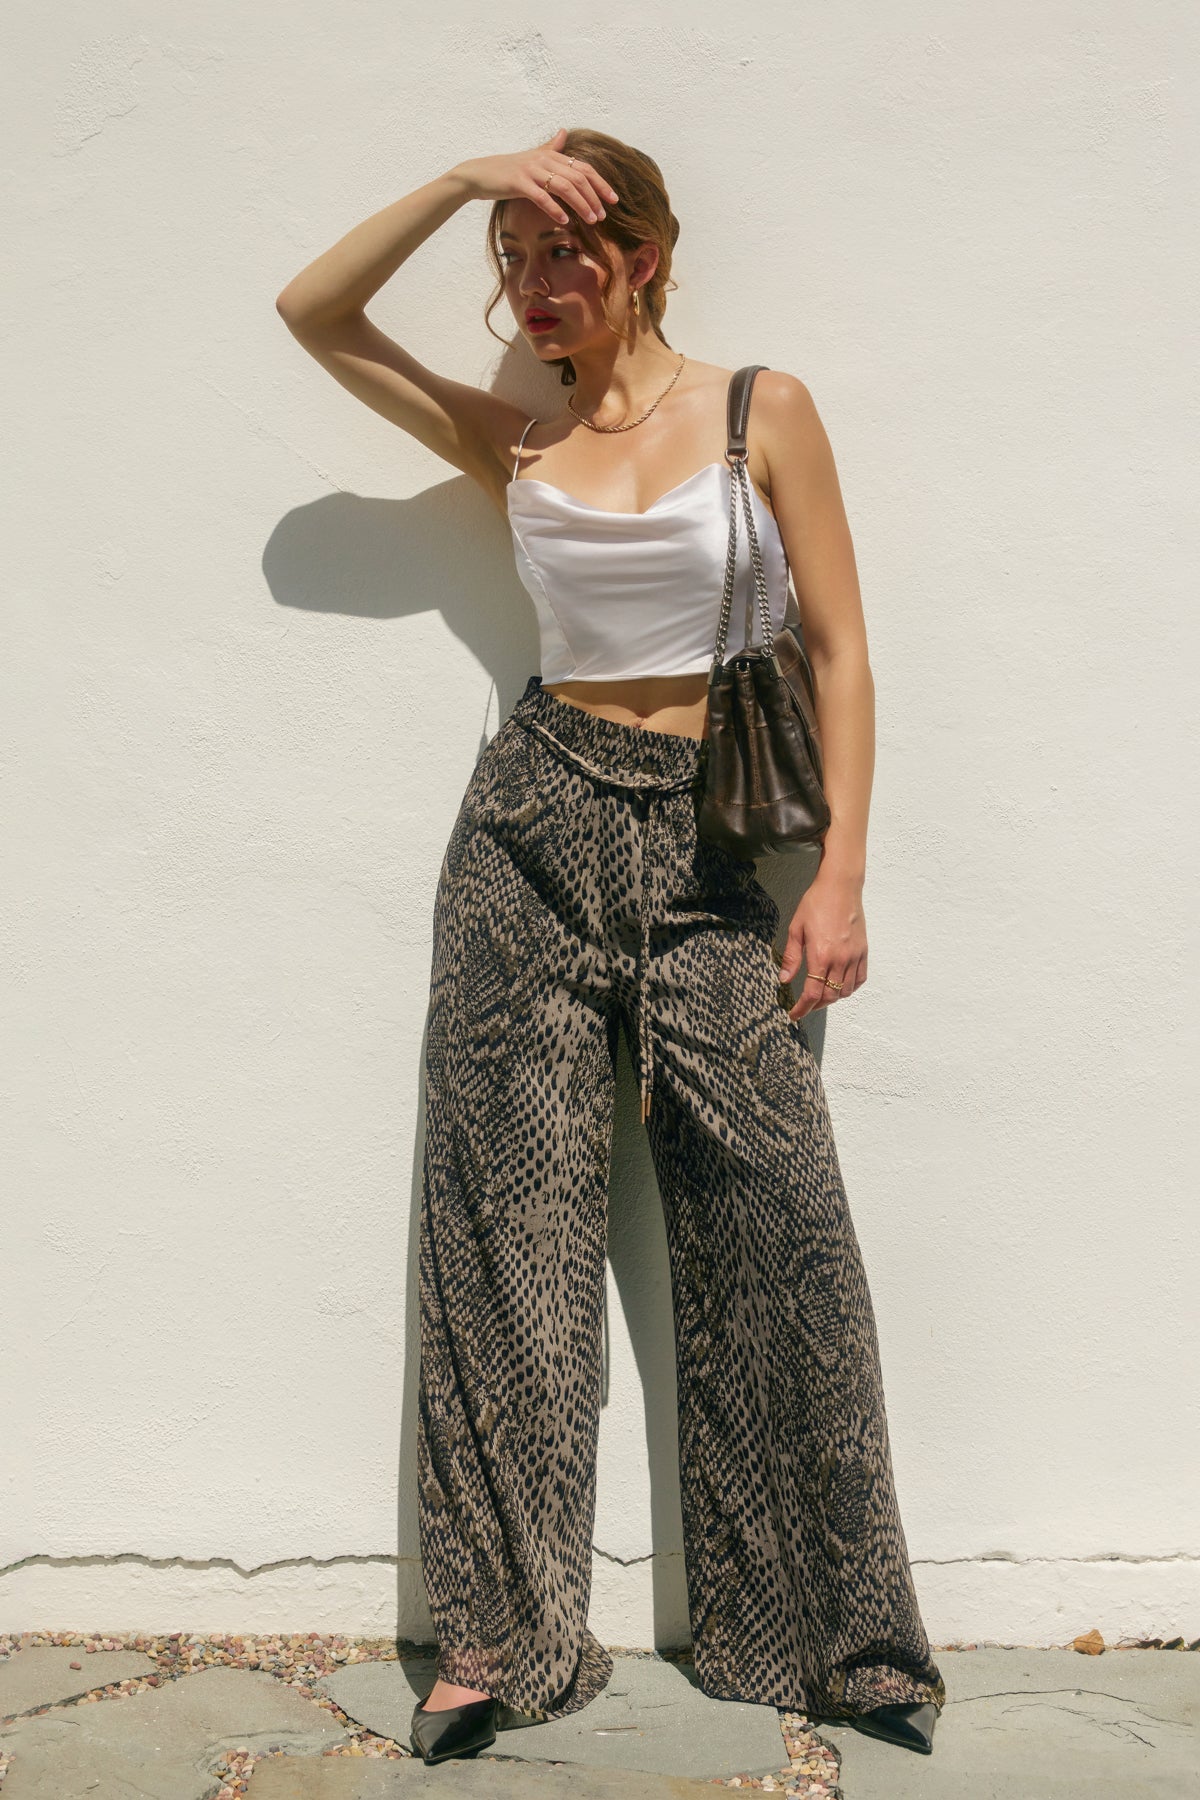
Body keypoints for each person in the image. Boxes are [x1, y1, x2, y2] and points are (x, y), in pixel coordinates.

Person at [276, 126, 946, 1768]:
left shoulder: (761, 410)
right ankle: (497, 1644)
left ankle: (837, 1637)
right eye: (511, 260)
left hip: (716, 843)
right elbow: (313, 312)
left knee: (780, 1220)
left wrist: (843, 874)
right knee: (505, 1230)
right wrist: (464, 180)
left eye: (560, 250)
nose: (533, 284)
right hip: (532, 826)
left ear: (640, 255)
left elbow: (844, 651)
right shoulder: (513, 435)